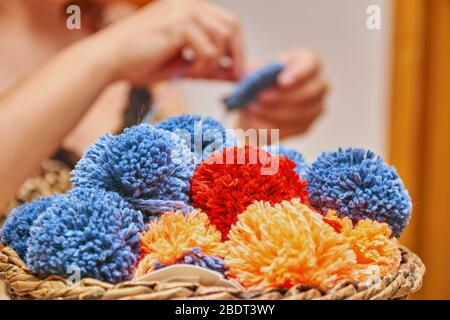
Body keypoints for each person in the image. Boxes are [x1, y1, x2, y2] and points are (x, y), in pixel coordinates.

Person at [0, 0, 328, 210]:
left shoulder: (126, 21)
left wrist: (251, 132)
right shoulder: (127, 37)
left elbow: (179, 195)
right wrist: (105, 56)